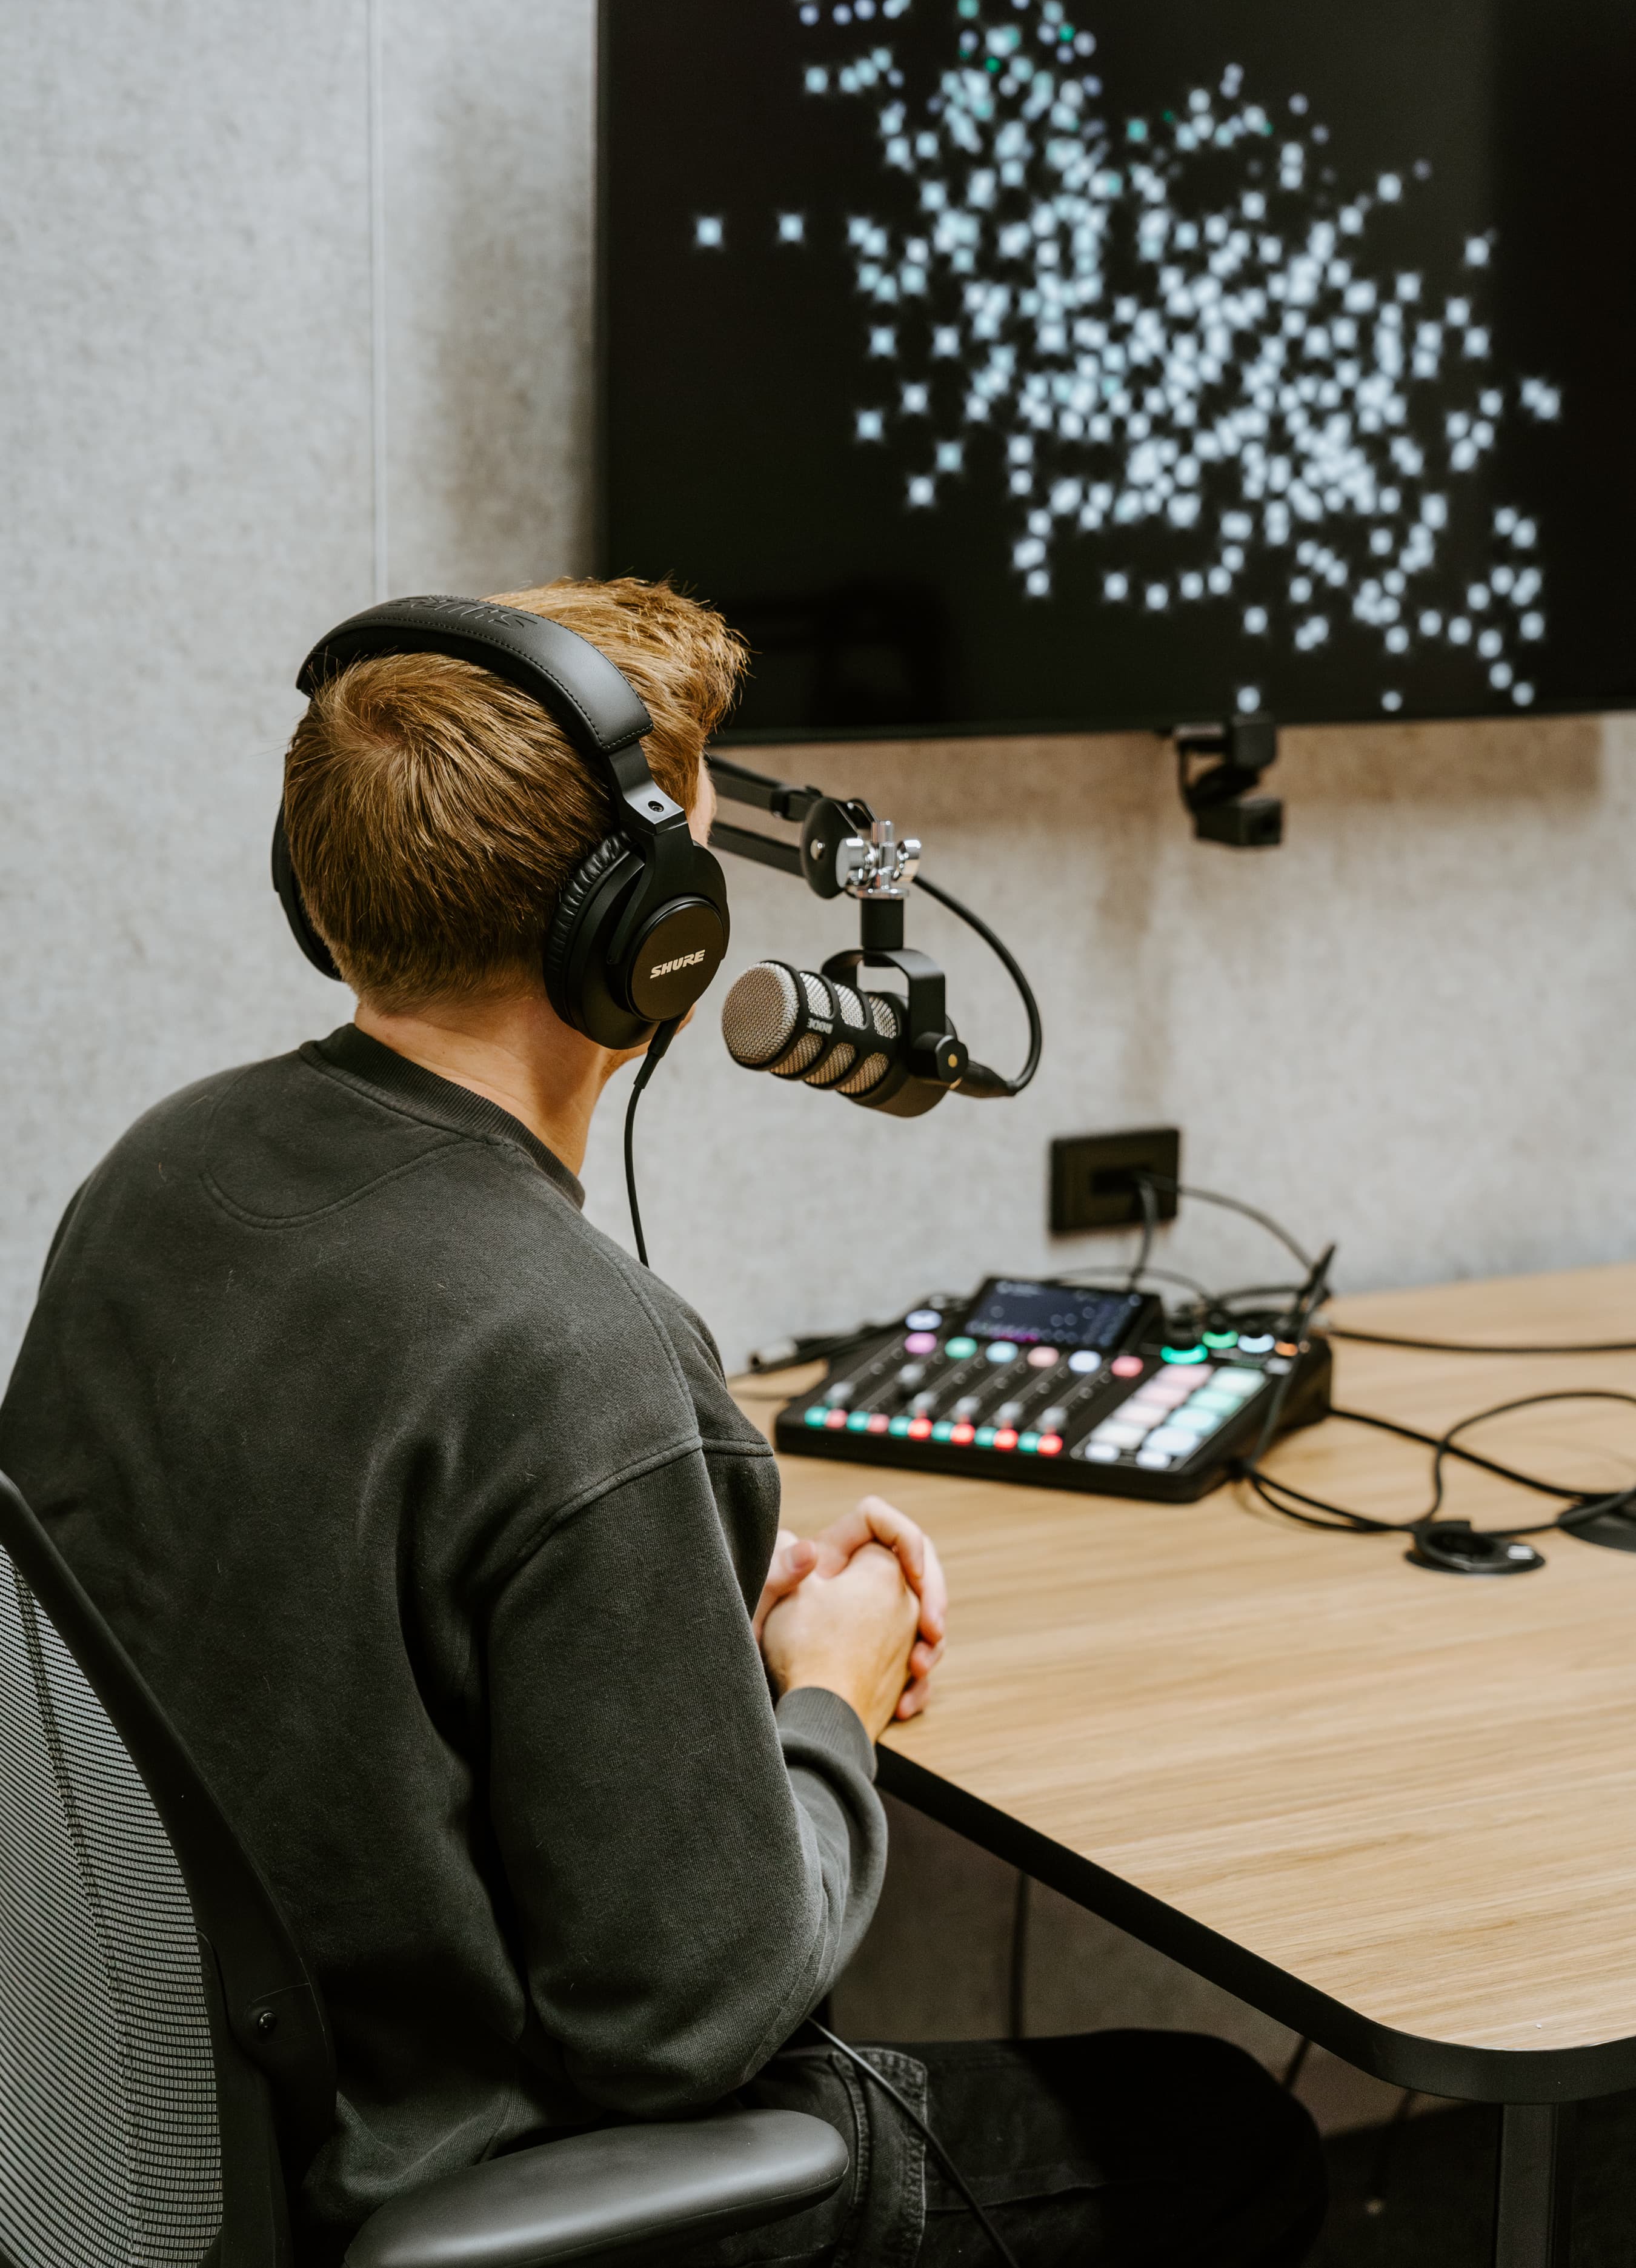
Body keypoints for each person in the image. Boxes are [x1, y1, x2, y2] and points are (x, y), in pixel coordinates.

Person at [0, 577, 1323, 2266]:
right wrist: (831, 1694)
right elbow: (686, 2024)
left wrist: (660, 1622)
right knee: (1223, 2134)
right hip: (481, 2179)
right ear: (652, 931)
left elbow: (299, 1583)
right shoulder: (580, 1353)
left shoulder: (165, 1169)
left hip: (192, 2117)